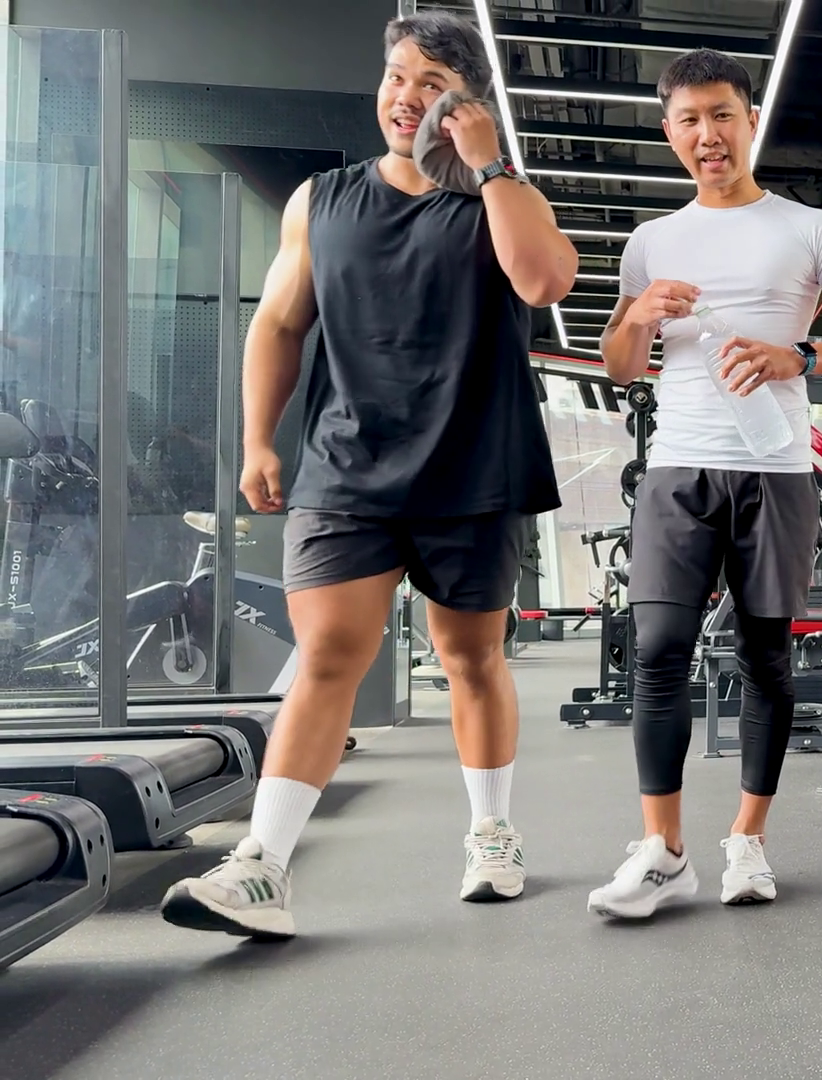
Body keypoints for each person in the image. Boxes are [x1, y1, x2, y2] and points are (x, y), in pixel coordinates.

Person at [159, 11, 575, 940]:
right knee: (329, 656)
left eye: (432, 84)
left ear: (467, 101)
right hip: (347, 463)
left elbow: (544, 282)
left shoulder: (504, 197)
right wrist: (258, 441)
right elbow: (279, 323)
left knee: (471, 658)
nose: (406, 98)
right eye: (397, 77)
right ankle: (262, 866)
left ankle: (492, 834)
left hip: (474, 464)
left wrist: (490, 166)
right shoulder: (323, 199)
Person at [590, 48, 822, 918]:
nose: (708, 135)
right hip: (678, 468)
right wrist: (639, 315)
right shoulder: (651, 242)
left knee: (765, 657)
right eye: (689, 120)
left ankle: (748, 840)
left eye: (721, 114)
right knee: (657, 648)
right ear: (670, 132)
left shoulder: (809, 229)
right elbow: (619, 366)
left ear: (749, 120)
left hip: (775, 468)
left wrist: (799, 355)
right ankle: (663, 850)